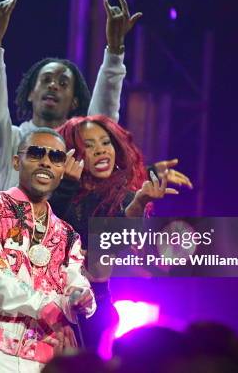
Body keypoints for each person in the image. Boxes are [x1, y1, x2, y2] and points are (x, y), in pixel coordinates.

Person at [0, 128, 96, 372]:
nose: (45, 161)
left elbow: (77, 285)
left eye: (56, 157)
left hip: (44, 360)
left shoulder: (67, 235)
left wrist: (80, 299)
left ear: (62, 170)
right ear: (15, 161)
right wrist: (53, 307)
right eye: (35, 153)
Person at [0, 0, 142, 191]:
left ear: (74, 102)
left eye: (63, 84)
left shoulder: (81, 142)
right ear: (30, 93)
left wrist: (115, 51)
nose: (53, 86)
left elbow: (103, 117)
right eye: (46, 80)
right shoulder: (12, 139)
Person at [53, 115, 186, 352]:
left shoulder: (124, 197)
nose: (100, 151)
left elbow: (115, 243)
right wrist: (66, 185)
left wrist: (138, 204)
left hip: (95, 309)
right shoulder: (60, 193)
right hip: (50, 305)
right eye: (88, 145)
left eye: (105, 142)